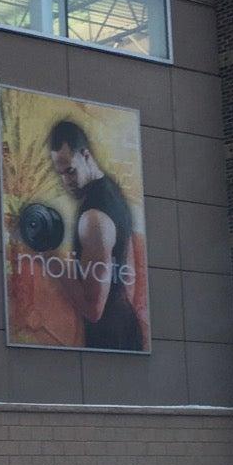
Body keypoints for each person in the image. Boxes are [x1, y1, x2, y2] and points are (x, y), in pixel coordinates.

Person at [44, 118, 144, 352]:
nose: (66, 182)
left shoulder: (94, 219)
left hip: (110, 339)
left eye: (70, 171)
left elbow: (93, 309)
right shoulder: (111, 190)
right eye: (60, 174)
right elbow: (128, 275)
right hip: (124, 332)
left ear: (86, 156)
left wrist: (51, 259)